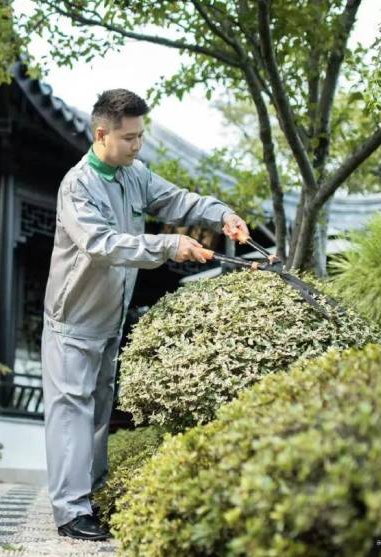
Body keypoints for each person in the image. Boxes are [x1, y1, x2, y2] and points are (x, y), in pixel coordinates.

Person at [41, 89, 249, 541]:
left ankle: (92, 501)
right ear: (102, 134)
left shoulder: (135, 175)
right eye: (129, 138)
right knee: (71, 412)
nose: (138, 146)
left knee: (97, 413)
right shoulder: (77, 186)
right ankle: (70, 512)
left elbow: (178, 201)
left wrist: (222, 214)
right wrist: (169, 245)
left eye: (140, 136)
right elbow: (102, 245)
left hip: (110, 319)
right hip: (71, 320)